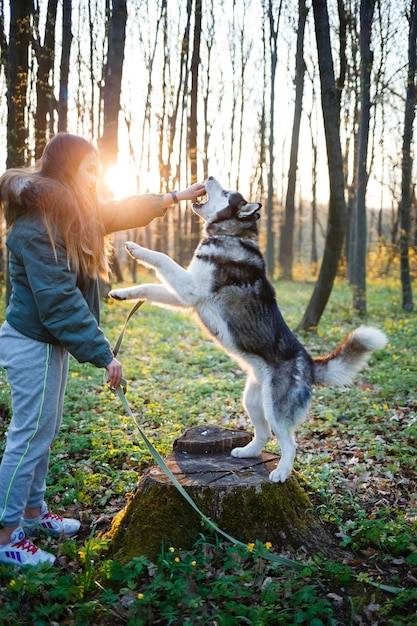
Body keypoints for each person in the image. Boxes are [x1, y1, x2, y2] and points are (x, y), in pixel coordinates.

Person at [0, 132, 205, 567]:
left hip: (46, 342)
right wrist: (102, 352)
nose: (96, 178)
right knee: (28, 436)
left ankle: (33, 514)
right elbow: (57, 301)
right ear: (67, 168)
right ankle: (5, 535)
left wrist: (173, 196)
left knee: (43, 433)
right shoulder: (39, 224)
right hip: (30, 342)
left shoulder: (72, 210)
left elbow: (117, 210)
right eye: (90, 169)